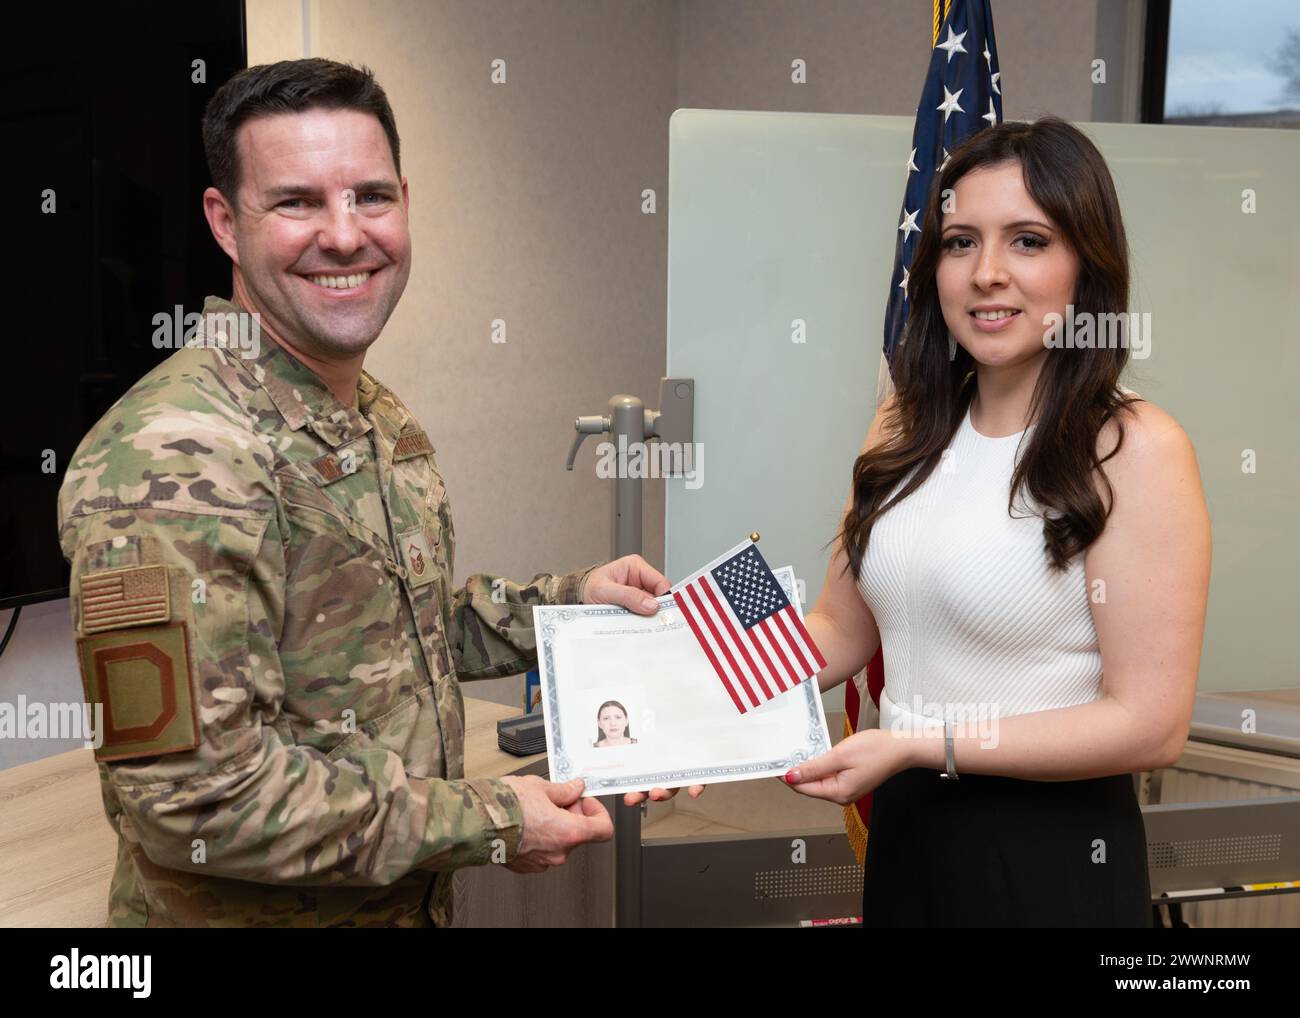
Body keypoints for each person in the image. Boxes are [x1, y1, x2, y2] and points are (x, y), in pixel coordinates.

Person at [56, 58, 671, 927]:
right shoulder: (173, 456)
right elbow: (195, 802)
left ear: (405, 205)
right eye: (298, 202)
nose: (345, 236)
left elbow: (386, 632)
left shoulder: (370, 413)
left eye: (371, 197)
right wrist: (492, 820)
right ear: (225, 222)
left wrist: (570, 605)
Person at [784, 116, 1211, 927]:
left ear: (1085, 268)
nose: (986, 274)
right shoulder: (900, 427)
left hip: (1050, 854)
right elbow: (838, 630)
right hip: (909, 835)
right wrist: (680, 693)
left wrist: (923, 744)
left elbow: (1150, 725)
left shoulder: (1134, 448)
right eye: (959, 242)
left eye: (1027, 241)